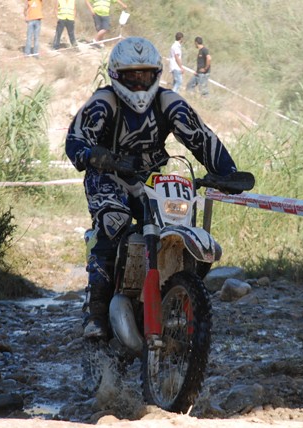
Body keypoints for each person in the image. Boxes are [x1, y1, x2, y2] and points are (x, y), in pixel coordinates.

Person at [65, 37, 239, 339]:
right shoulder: (103, 101)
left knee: (178, 223)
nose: (139, 82)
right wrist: (93, 154)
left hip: (149, 179)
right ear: (117, 75)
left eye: (145, 75)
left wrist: (227, 172)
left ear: (156, 73)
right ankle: (96, 315)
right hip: (106, 177)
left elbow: (200, 136)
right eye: (131, 75)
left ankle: (177, 293)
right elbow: (76, 139)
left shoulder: (167, 101)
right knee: (112, 223)